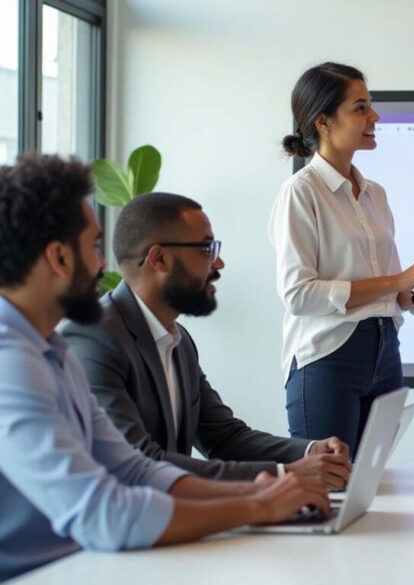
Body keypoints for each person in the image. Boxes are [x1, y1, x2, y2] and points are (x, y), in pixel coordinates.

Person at [0, 153, 328, 581]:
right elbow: (105, 513)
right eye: (94, 247)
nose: (103, 265)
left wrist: (264, 490)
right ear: (60, 258)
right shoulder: (12, 362)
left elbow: (134, 469)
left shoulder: (53, 349)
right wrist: (258, 506)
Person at [60, 193, 352, 489]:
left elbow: (224, 438)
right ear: (159, 258)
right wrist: (286, 474)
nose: (219, 262)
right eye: (206, 249)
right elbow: (138, 461)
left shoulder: (178, 341)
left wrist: (310, 452)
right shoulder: (94, 338)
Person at [270, 62, 414, 454]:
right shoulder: (300, 192)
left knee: (371, 483)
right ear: (323, 121)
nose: (375, 116)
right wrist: (397, 282)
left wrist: (411, 295)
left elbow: (392, 289)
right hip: (328, 357)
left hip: (385, 353)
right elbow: (298, 295)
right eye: (360, 108)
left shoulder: (376, 194)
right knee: (330, 484)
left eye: (370, 105)